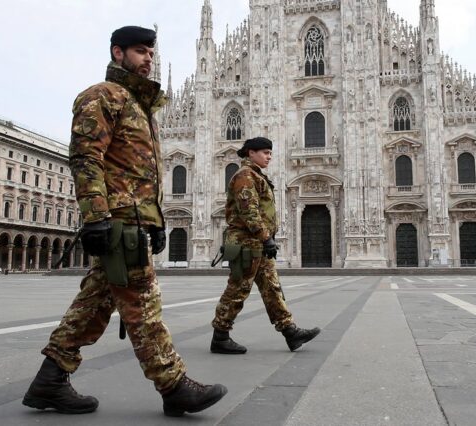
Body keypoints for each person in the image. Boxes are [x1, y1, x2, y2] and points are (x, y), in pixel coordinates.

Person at [22, 26, 226, 417]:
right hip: (116, 224)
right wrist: (96, 217)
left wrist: (157, 220)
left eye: (151, 51)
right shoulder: (103, 97)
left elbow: (143, 173)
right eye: (139, 51)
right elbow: (86, 159)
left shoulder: (140, 105)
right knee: (143, 306)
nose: (147, 58)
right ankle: (173, 385)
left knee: (95, 305)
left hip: (134, 222)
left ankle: (49, 380)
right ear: (118, 53)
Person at [210, 137, 320, 354]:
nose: (269, 156)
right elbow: (248, 210)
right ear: (251, 153)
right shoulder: (245, 176)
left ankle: (290, 332)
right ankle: (220, 336)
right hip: (246, 243)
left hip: (257, 243)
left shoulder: (256, 175)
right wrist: (265, 236)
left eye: (270, 153)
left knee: (272, 288)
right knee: (238, 289)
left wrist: (265, 238)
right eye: (265, 152)